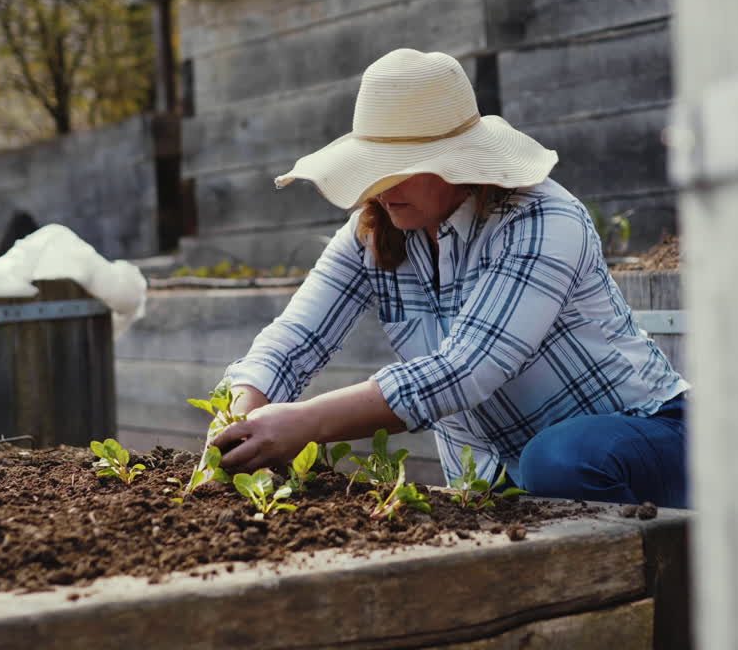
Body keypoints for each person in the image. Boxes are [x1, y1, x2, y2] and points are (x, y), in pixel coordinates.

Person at [211, 49, 690, 506]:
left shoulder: (540, 218)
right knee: (513, 481)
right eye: (375, 169)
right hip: (502, 476)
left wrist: (307, 423)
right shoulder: (375, 229)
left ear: (460, 163)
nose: (384, 187)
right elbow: (294, 338)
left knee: (558, 459)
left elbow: (465, 371)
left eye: (403, 169)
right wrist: (238, 417)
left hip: (646, 440)